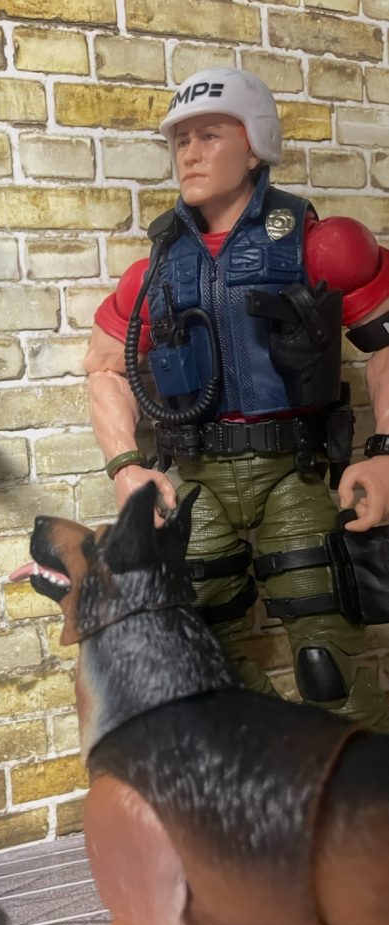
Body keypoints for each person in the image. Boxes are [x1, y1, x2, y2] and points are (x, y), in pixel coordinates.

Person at [86, 67, 389, 730]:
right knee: (199, 658)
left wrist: (386, 451)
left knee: (325, 662)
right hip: (197, 477)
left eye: (210, 136)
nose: (189, 154)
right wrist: (125, 467)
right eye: (180, 140)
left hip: (292, 474)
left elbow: (386, 342)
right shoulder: (155, 268)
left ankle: (363, 784)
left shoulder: (320, 243)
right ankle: (267, 765)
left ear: (254, 146)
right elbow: (104, 366)